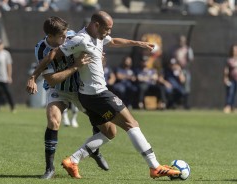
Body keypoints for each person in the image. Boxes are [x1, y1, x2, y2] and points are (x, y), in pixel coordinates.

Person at [26, 11, 181, 179]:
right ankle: (155, 167)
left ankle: (74, 159)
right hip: (93, 93)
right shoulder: (79, 40)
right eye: (107, 28)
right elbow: (52, 56)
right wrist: (34, 76)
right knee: (131, 123)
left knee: (109, 132)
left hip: (83, 93)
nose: (109, 32)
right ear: (97, 25)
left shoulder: (92, 36)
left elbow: (113, 41)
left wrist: (138, 43)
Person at [27, 17, 110, 179]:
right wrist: (75, 66)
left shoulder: (73, 36)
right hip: (58, 89)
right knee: (53, 120)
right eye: (62, 36)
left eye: (66, 34)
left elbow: (103, 44)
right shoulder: (41, 49)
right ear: (51, 36)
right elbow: (51, 80)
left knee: (103, 124)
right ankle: (49, 168)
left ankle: (94, 151)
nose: (66, 38)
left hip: (81, 89)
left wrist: (99, 57)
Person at [223, 44, 237, 113]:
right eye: (234, 50)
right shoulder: (229, 60)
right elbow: (226, 70)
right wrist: (225, 78)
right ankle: (228, 106)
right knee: (231, 93)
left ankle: (234, 108)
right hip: (232, 80)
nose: (236, 51)